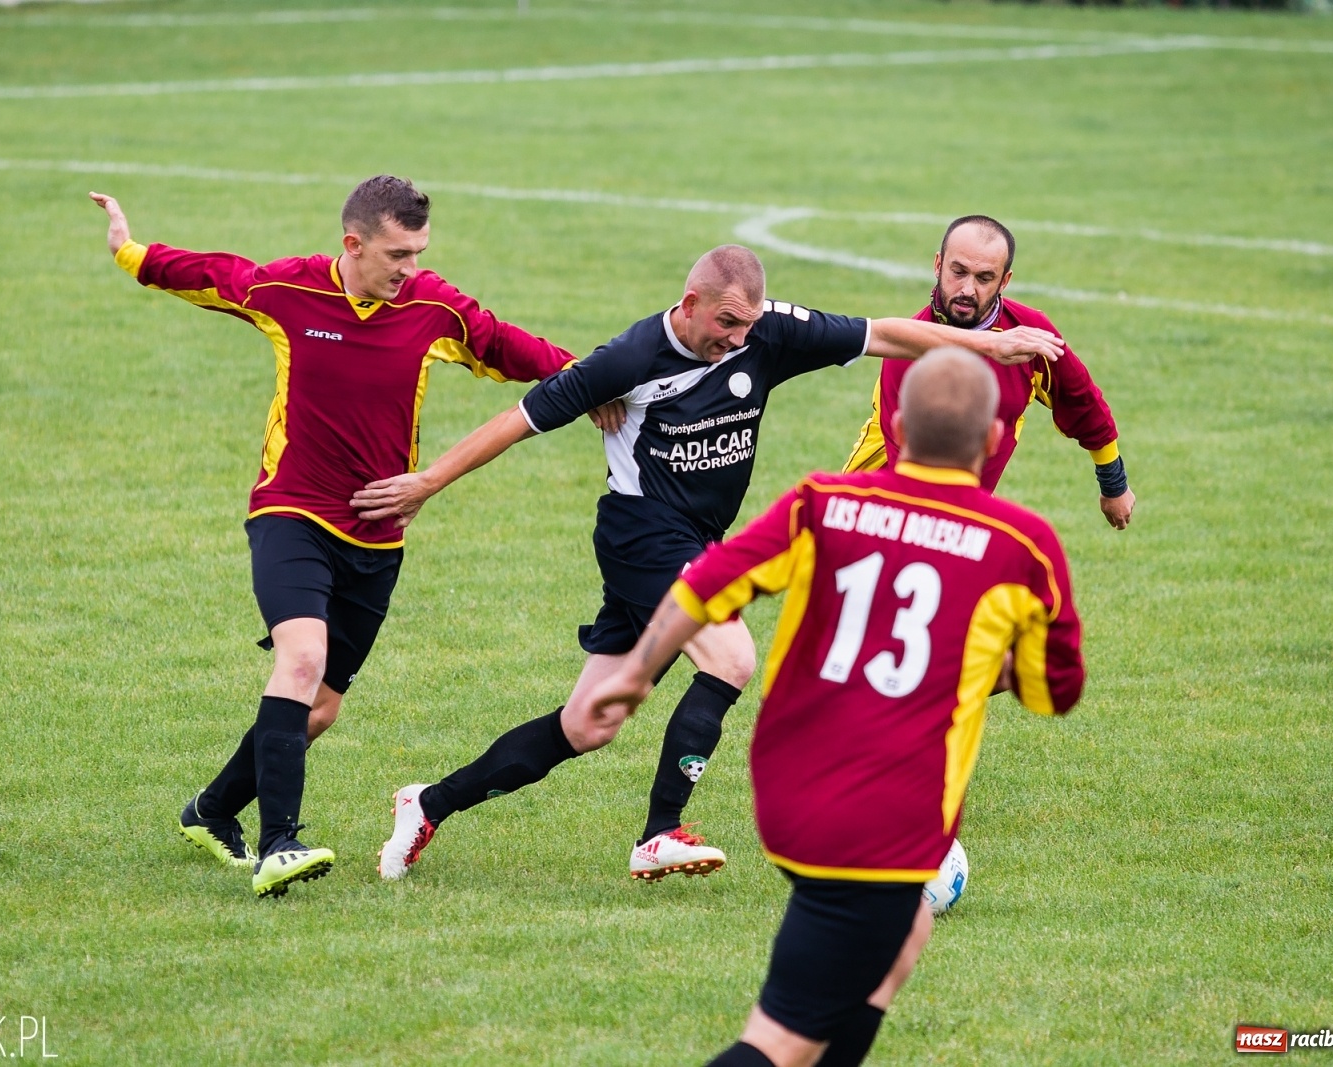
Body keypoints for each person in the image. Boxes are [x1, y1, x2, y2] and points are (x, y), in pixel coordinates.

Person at [358, 245, 1065, 882]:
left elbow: (884, 333)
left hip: (695, 542)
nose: (736, 340)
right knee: (730, 657)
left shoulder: (766, 331)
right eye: (725, 323)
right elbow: (516, 421)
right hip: (642, 539)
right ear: (689, 301)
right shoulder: (629, 358)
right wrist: (425, 483)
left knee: (588, 725)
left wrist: (985, 347)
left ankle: (427, 803)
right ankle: (658, 833)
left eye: (747, 326)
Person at [89, 176, 607, 898]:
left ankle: (210, 812)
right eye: (397, 253)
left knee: (320, 709)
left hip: (377, 539)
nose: (410, 267)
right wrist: (129, 249)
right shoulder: (291, 292)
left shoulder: (434, 306)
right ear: (353, 244)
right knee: (301, 661)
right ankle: (278, 844)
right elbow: (211, 274)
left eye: (419, 251)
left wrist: (598, 382)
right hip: (292, 513)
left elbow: (508, 345)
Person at [580, 347, 1086, 1066]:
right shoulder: (1021, 546)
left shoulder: (825, 502)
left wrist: (635, 672)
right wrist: (976, 668)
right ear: (996, 439)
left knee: (902, 939)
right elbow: (1054, 688)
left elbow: (708, 580)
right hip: (884, 816)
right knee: (779, 1037)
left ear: (899, 426)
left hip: (788, 794)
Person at [843, 215, 1135, 530]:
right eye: (958, 272)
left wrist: (1113, 482)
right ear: (938, 265)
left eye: (984, 278)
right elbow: (909, 459)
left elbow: (1081, 401)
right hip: (873, 503)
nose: (967, 289)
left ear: (1004, 281)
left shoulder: (1030, 334)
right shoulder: (908, 346)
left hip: (961, 515)